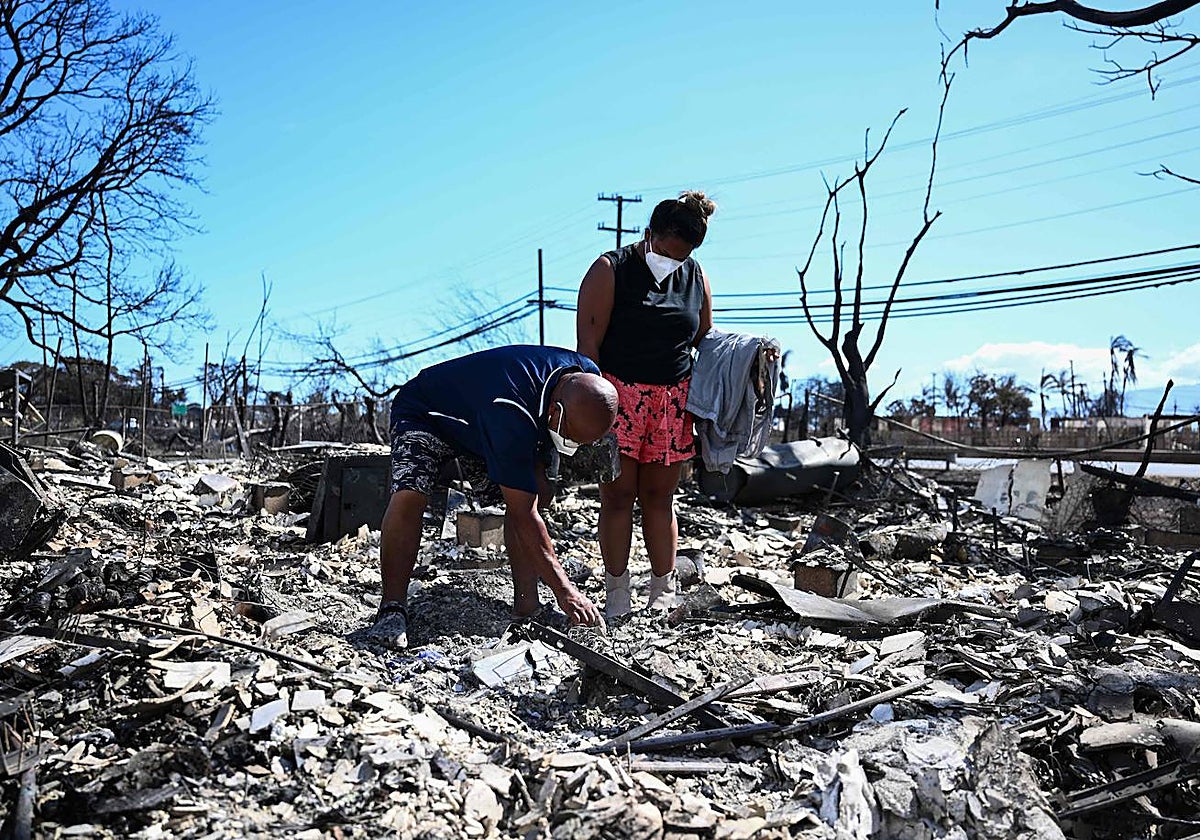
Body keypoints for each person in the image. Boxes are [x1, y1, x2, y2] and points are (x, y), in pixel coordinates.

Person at [367, 344, 619, 648]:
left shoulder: (587, 377)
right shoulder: (510, 408)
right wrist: (566, 591)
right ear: (556, 411)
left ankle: (528, 607)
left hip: (485, 418)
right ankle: (392, 608)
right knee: (411, 494)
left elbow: (529, 499)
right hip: (427, 413)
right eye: (570, 438)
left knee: (536, 492)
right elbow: (524, 513)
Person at [575, 191, 715, 617]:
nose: (673, 262)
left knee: (660, 498)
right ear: (649, 234)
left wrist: (753, 355)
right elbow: (587, 346)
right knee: (617, 496)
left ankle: (662, 589)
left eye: (683, 256)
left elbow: (705, 342)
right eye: (668, 252)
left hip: (672, 402)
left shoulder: (696, 277)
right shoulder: (609, 269)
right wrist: (593, 411)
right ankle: (617, 592)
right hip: (618, 397)